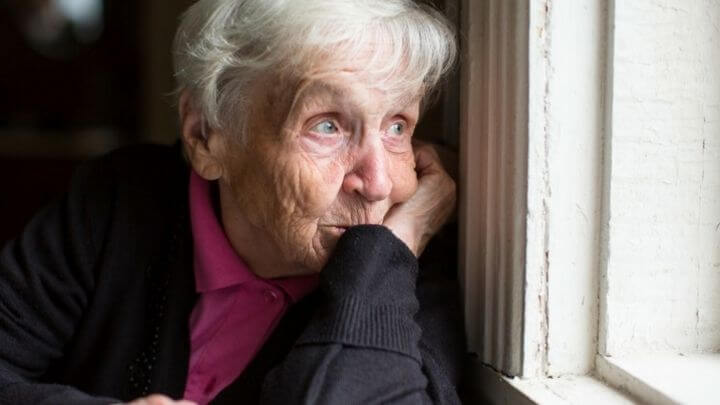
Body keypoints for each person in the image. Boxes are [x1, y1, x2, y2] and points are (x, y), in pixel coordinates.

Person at [0, 0, 463, 403]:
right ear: (206, 136)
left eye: (397, 127)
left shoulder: (412, 280)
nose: (379, 183)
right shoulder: (121, 202)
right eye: (327, 125)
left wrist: (387, 254)